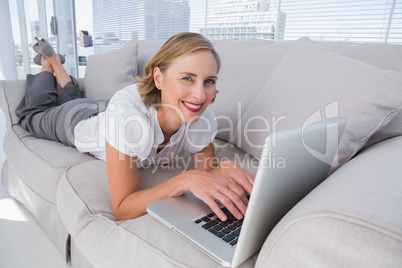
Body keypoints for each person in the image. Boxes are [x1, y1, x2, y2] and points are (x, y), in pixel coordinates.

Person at [16, 32, 255, 222]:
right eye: (187, 78)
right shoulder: (128, 117)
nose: (201, 94)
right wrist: (183, 180)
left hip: (111, 110)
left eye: (209, 81)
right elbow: (123, 208)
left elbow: (206, 178)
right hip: (79, 121)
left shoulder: (202, 112)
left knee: (74, 96)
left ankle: (57, 63)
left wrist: (221, 169)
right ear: (159, 78)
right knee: (33, 114)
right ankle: (49, 64)